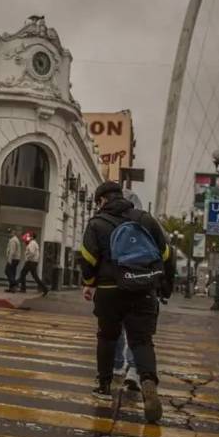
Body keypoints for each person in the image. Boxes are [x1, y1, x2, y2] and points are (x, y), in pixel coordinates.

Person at [78, 181, 175, 423]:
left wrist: (89, 282)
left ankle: (103, 385)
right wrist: (165, 287)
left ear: (102, 200)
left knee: (107, 336)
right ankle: (148, 381)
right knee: (142, 341)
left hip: (109, 290)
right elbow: (166, 255)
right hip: (143, 289)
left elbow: (88, 258)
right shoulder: (145, 219)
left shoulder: (97, 223)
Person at [5, 228, 22, 293]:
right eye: (8, 232)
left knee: (7, 271)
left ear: (13, 233)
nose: (9, 234)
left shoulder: (13, 240)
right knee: (12, 273)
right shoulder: (15, 239)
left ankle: (15, 284)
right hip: (16, 259)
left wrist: (9, 259)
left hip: (13, 259)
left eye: (10, 232)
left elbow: (12, 251)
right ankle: (12, 288)